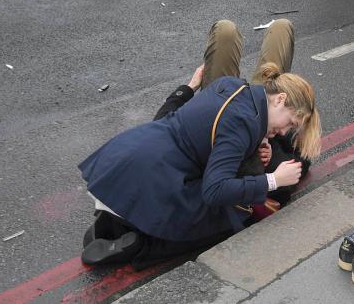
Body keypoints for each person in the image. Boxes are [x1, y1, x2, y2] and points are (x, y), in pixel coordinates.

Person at [78, 19, 320, 267]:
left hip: (121, 165)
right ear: (280, 99)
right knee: (233, 215)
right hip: (155, 184)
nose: (283, 131)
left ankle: (107, 224)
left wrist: (188, 88)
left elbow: (168, 121)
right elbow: (215, 190)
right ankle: (142, 245)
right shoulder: (244, 125)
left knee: (228, 29)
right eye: (290, 123)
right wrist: (274, 179)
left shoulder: (228, 86)